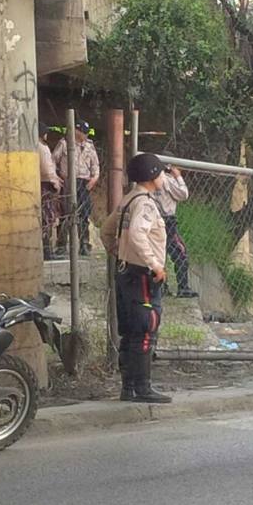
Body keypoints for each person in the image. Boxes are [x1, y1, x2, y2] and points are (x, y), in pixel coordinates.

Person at [100, 152, 172, 404]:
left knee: (131, 331)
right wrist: (155, 265)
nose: (164, 176)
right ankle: (143, 387)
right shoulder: (146, 204)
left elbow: (107, 230)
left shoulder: (128, 200)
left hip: (126, 271)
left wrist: (117, 252)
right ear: (152, 176)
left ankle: (128, 387)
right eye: (162, 172)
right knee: (145, 328)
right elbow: (138, 235)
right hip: (143, 275)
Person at [53, 119, 100, 257]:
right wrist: (57, 177)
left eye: (86, 133)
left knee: (84, 215)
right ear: (76, 130)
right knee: (66, 214)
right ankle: (61, 246)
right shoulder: (64, 144)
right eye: (83, 132)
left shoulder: (89, 146)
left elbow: (95, 166)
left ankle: (84, 244)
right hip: (68, 182)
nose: (85, 135)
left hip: (84, 183)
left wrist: (94, 179)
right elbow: (53, 161)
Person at [156, 165, 198, 298]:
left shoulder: (153, 179)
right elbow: (183, 194)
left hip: (156, 220)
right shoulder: (168, 180)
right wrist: (178, 176)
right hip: (167, 221)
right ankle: (183, 287)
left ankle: (162, 286)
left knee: (159, 253)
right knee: (181, 252)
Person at [37, 122, 62, 259]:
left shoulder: (33, 147)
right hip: (46, 185)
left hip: (39, 184)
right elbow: (47, 169)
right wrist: (55, 182)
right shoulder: (42, 148)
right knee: (48, 217)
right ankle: (47, 250)